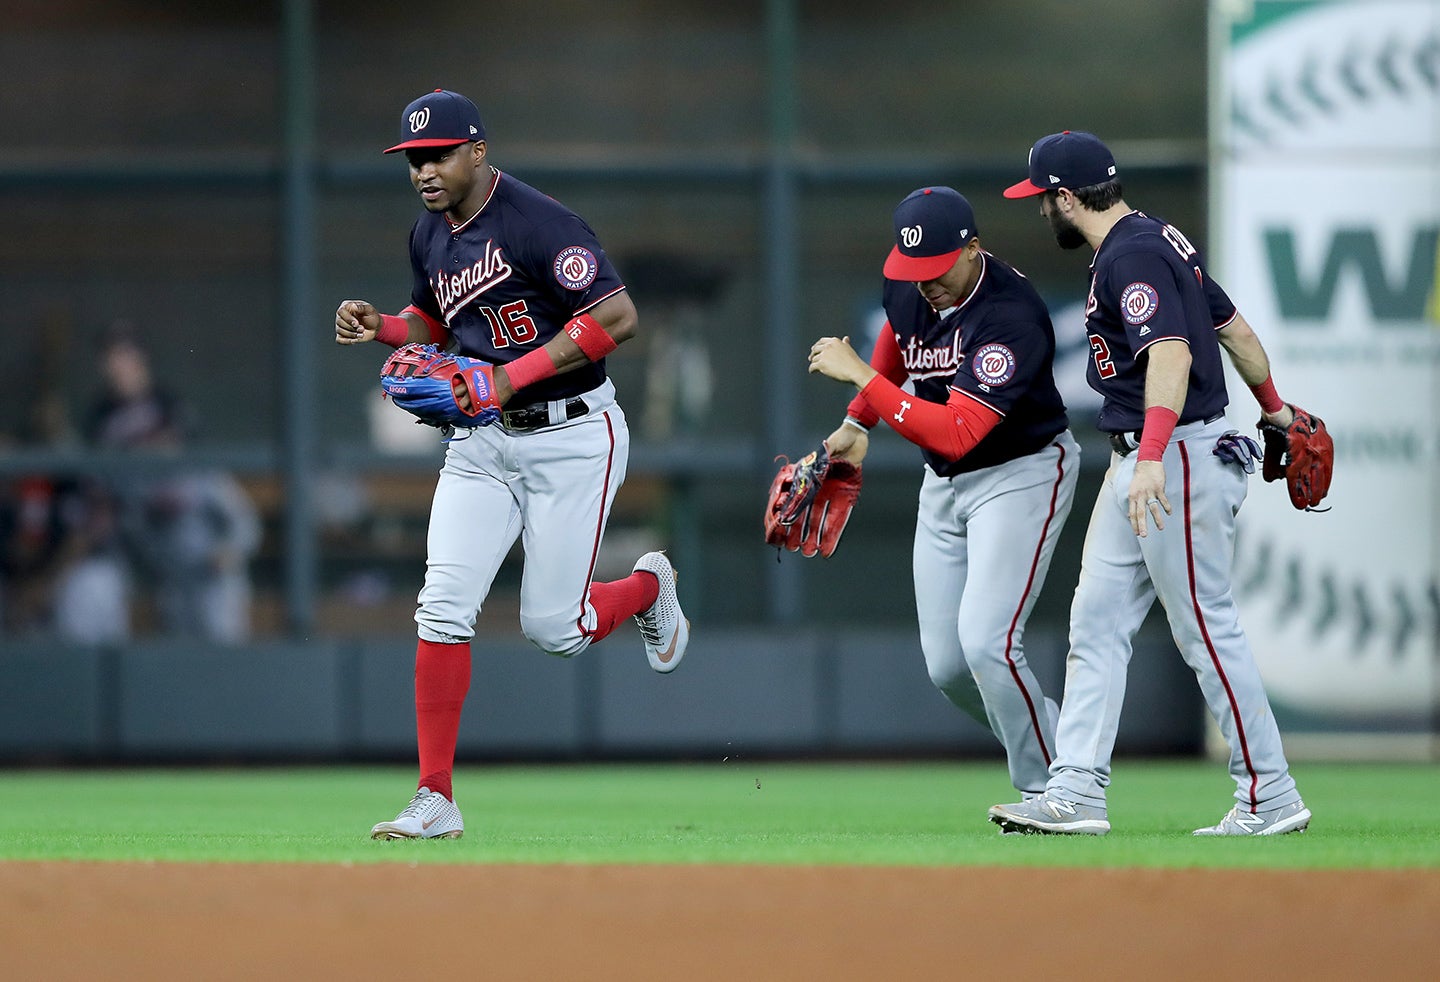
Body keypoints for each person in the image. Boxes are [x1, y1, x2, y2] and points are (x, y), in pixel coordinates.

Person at [335, 89, 690, 841]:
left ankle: (647, 587)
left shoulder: (538, 222)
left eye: (438, 155)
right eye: (413, 159)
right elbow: (435, 322)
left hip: (573, 436)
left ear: (477, 151)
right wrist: (384, 327)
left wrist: (507, 377)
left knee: (555, 628)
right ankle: (435, 797)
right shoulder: (429, 234)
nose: (424, 170)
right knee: (442, 605)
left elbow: (617, 317)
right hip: (483, 443)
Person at [987, 131, 1311, 836]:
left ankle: (1271, 794)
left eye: (1044, 198)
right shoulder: (1159, 238)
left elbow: (1171, 352)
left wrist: (1156, 456)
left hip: (1173, 457)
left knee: (1205, 628)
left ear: (1066, 197)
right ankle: (1076, 790)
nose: (1041, 210)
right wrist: (1278, 411)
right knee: (1096, 624)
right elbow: (1236, 331)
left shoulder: (1130, 255)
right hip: (1147, 455)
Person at [806, 186, 1079, 802]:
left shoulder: (1011, 314)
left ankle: (1054, 791)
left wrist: (864, 381)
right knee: (950, 667)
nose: (923, 283)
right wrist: (857, 421)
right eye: (913, 268)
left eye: (936, 268)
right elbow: (898, 339)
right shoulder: (910, 283)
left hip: (1020, 472)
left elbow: (957, 432)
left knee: (987, 643)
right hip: (945, 483)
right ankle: (1069, 753)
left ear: (973, 248)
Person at [86, 326, 261, 645]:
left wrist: (228, 551)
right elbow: (121, 515)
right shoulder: (105, 424)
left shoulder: (200, 475)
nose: (157, 444)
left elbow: (244, 523)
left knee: (219, 628)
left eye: (164, 436)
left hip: (209, 568)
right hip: (163, 568)